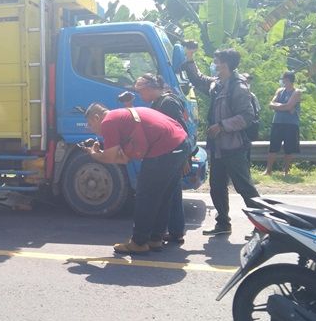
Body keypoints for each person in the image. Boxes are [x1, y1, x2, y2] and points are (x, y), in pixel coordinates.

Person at [83, 103, 189, 254]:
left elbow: (111, 157)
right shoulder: (122, 116)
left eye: (90, 124)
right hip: (180, 144)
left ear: (96, 117)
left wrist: (94, 154)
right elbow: (123, 159)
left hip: (164, 148)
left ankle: (139, 243)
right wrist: (103, 153)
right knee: (162, 196)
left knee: (145, 196)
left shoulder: (108, 121)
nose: (91, 128)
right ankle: (155, 239)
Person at [182, 45, 260, 236]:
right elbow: (198, 80)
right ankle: (223, 224)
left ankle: (263, 227)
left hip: (234, 147)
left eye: (217, 61)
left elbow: (247, 116)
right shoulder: (218, 84)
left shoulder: (238, 87)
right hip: (218, 147)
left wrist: (222, 126)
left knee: (245, 188)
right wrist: (190, 58)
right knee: (217, 187)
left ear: (225, 65)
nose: (214, 64)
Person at [133, 73, 189, 244]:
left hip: (172, 154)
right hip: (172, 154)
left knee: (170, 194)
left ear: (150, 89)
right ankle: (175, 231)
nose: (141, 97)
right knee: (171, 193)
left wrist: (185, 159)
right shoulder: (160, 102)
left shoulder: (168, 103)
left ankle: (174, 231)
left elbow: (181, 130)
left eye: (141, 92)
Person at [263, 71, 302, 176]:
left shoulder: (297, 92)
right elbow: (271, 104)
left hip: (291, 124)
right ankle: (268, 170)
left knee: (289, 148)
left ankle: (286, 171)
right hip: (277, 122)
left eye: (283, 79)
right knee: (273, 147)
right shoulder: (280, 91)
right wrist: (284, 106)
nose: (282, 81)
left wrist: (280, 106)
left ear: (288, 80)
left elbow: (289, 106)